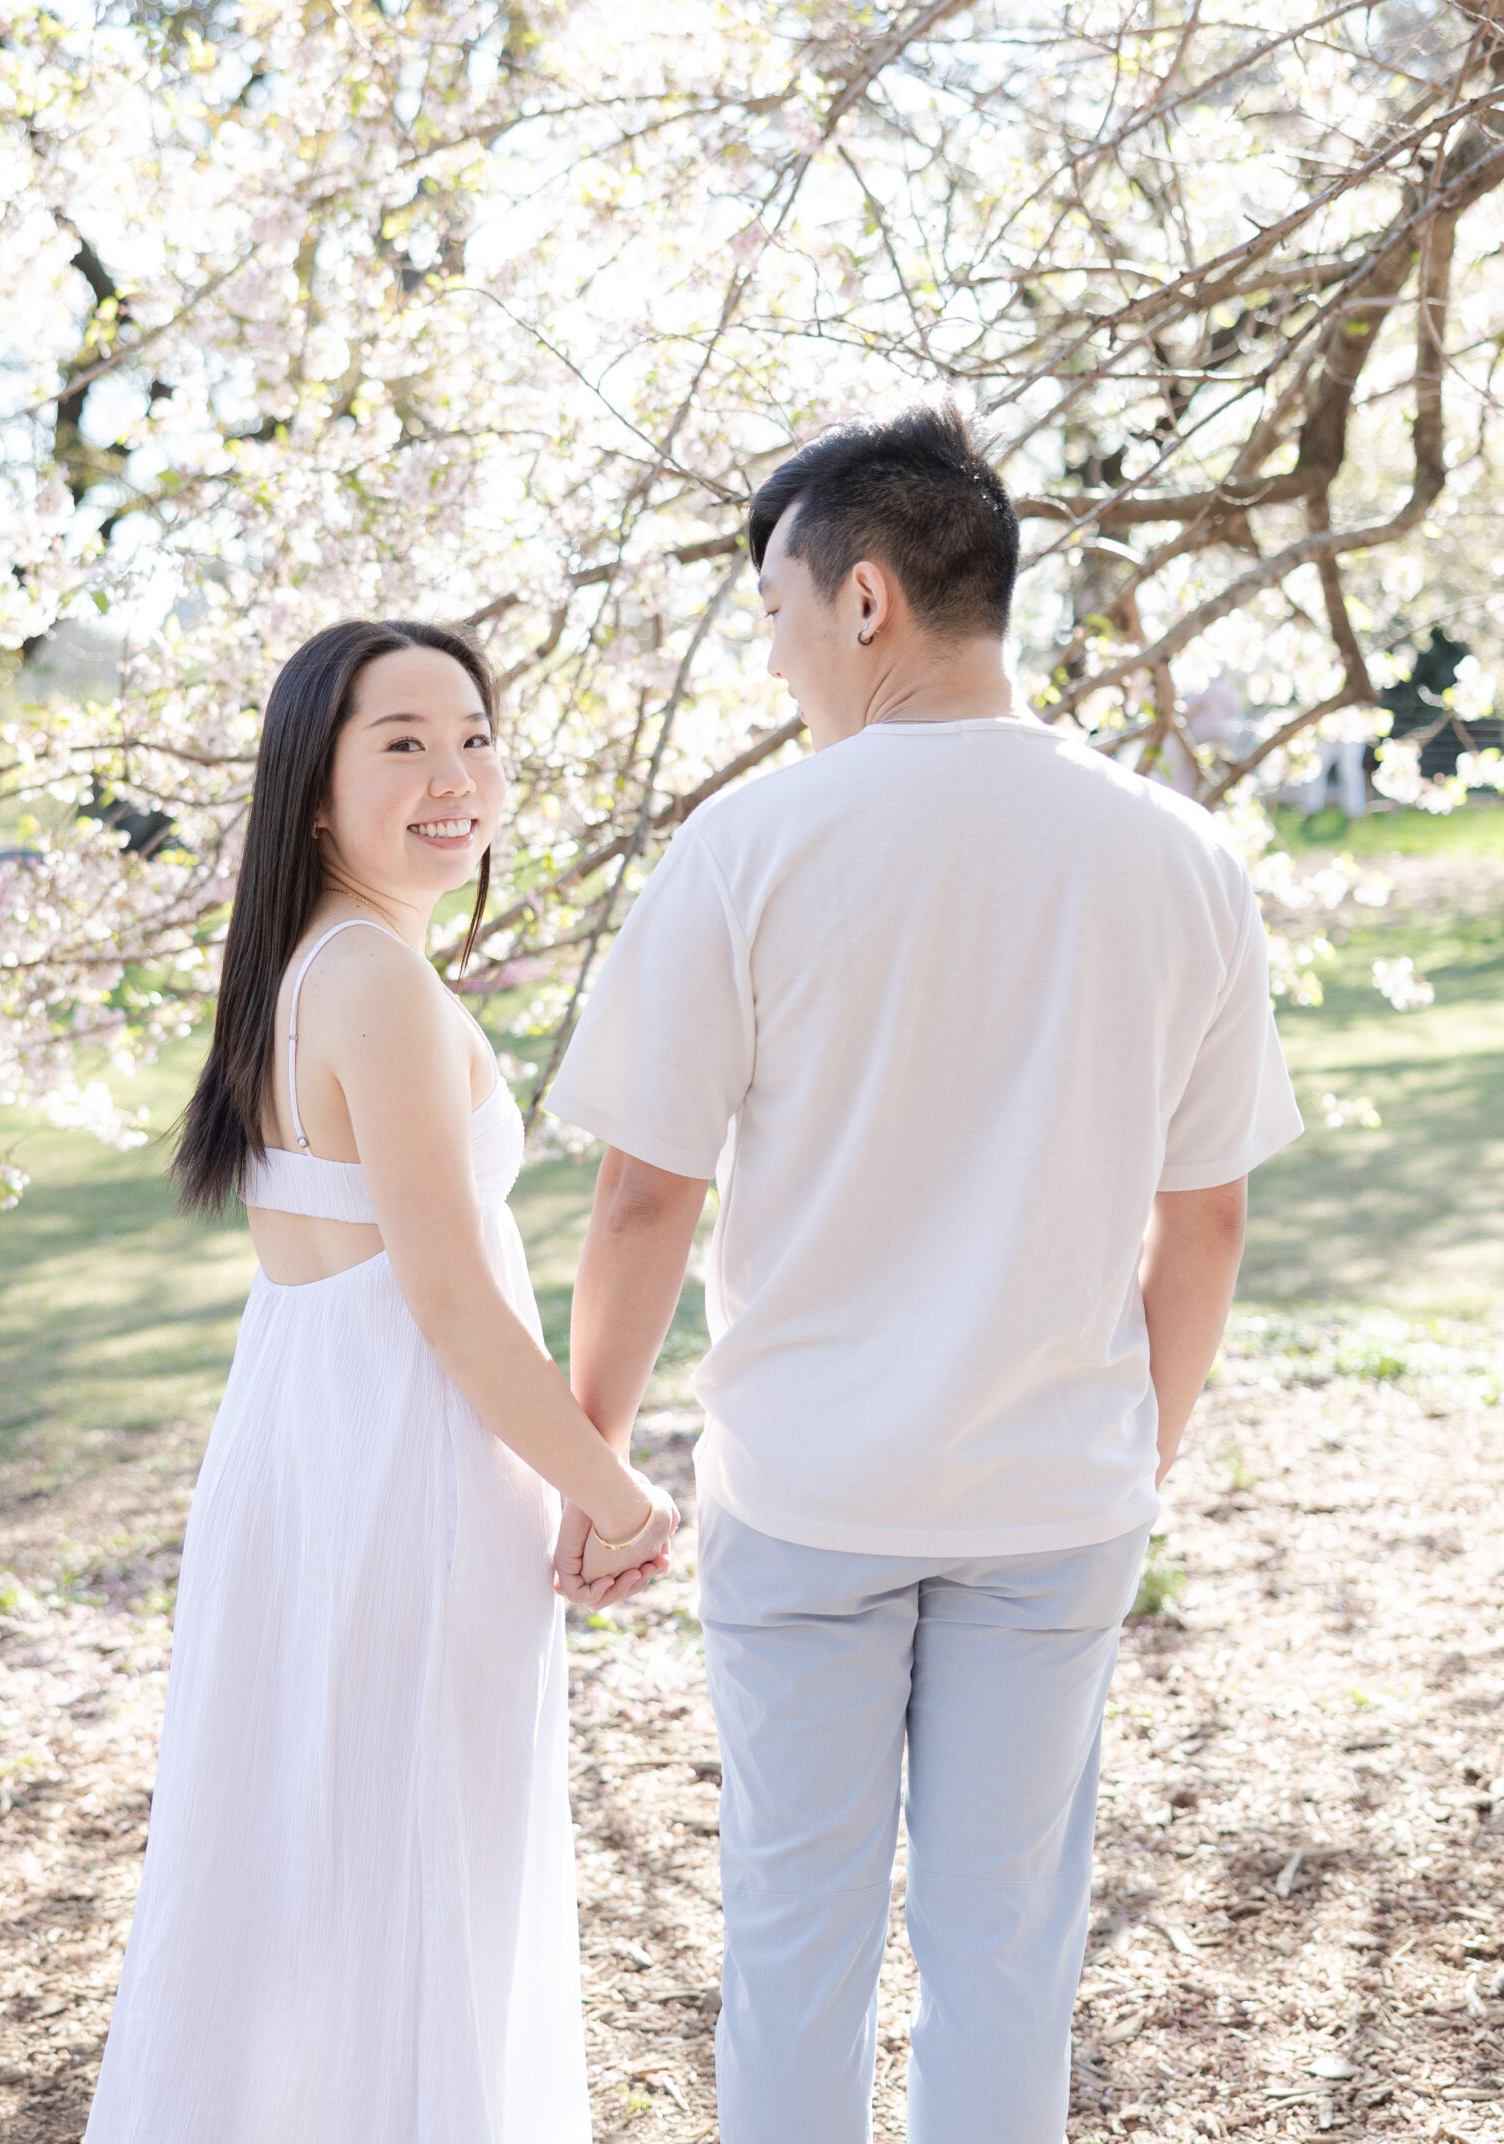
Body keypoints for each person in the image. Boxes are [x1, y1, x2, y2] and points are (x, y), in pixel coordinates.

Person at [546, 398, 1303, 2144]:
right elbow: (1207, 1222)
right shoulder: (1180, 855)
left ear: (864, 598)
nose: (777, 656)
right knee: (1006, 1950)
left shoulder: (750, 846)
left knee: (793, 1939)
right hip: (1053, 1494)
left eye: (773, 613)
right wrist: (1139, 1446)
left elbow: (645, 1198)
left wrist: (594, 1462)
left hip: (811, 1490)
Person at [85, 618, 676, 2144]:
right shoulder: (376, 985)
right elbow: (459, 1306)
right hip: (404, 1469)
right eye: (401, 742)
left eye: (473, 735)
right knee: (418, 1873)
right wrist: (613, 1494)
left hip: (318, 1448)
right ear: (313, 788)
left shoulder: (318, 967)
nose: (455, 776)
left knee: (332, 1872)